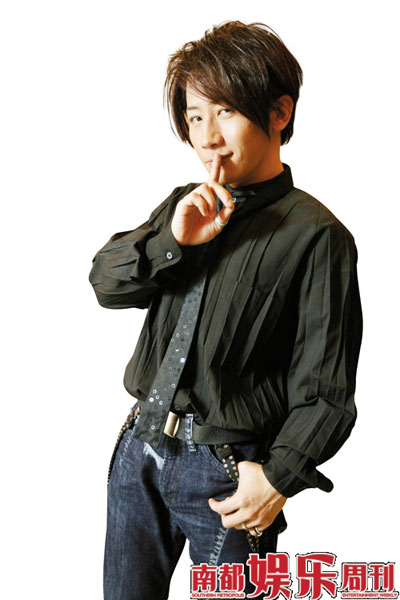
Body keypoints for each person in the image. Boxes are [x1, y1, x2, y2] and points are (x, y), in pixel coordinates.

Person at [89, 20, 363, 600]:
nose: (207, 137)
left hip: (228, 473)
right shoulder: (183, 206)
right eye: (194, 117)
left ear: (279, 112)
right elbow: (106, 284)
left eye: (225, 112)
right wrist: (173, 241)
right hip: (140, 449)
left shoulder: (317, 236)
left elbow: (327, 391)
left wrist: (279, 478)